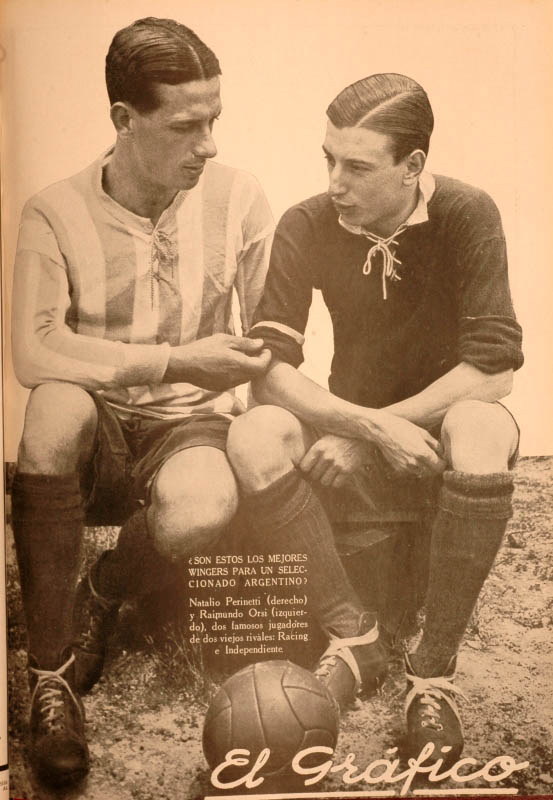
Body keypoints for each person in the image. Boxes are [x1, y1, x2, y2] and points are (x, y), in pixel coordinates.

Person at [226, 73, 523, 767]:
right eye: (327, 158)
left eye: (356, 166)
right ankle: (353, 639)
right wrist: (362, 428)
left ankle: (431, 676)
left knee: (482, 425)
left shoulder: (465, 213)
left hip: (439, 438)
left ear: (412, 166)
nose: (334, 180)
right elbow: (267, 366)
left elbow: (494, 367)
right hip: (356, 435)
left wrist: (375, 429)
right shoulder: (306, 221)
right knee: (254, 430)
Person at [10, 17, 274, 787]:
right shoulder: (53, 211)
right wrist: (170, 356)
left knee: (197, 509)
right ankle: (51, 675)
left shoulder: (240, 199)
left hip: (188, 426)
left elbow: (269, 339)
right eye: (187, 124)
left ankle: (107, 585)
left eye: (214, 118)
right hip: (97, 425)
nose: (210, 144)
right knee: (53, 403)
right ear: (124, 120)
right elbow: (33, 352)